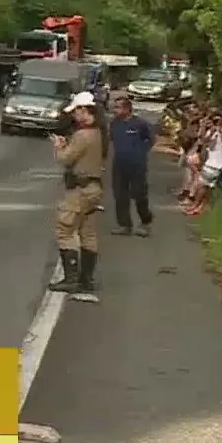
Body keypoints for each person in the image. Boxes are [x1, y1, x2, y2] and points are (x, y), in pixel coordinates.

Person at [49, 91, 105, 299]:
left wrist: (59, 147)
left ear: (84, 110)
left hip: (80, 190)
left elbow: (66, 159)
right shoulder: (99, 132)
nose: (73, 115)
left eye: (75, 111)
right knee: (87, 232)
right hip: (94, 188)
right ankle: (86, 279)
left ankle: (71, 278)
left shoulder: (82, 136)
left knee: (65, 229)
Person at [109, 96, 155, 236]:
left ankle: (145, 221)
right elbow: (112, 139)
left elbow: (151, 139)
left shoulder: (140, 124)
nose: (114, 110)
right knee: (120, 195)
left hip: (137, 164)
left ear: (127, 109)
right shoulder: (114, 123)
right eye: (114, 107)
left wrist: (141, 151)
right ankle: (124, 225)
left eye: (118, 107)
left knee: (139, 194)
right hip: (119, 163)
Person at [184, 111, 222, 215]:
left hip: (217, 164)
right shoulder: (212, 131)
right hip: (210, 162)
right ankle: (198, 207)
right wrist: (209, 130)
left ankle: (196, 205)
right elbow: (203, 141)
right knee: (205, 187)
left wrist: (221, 132)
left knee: (202, 185)